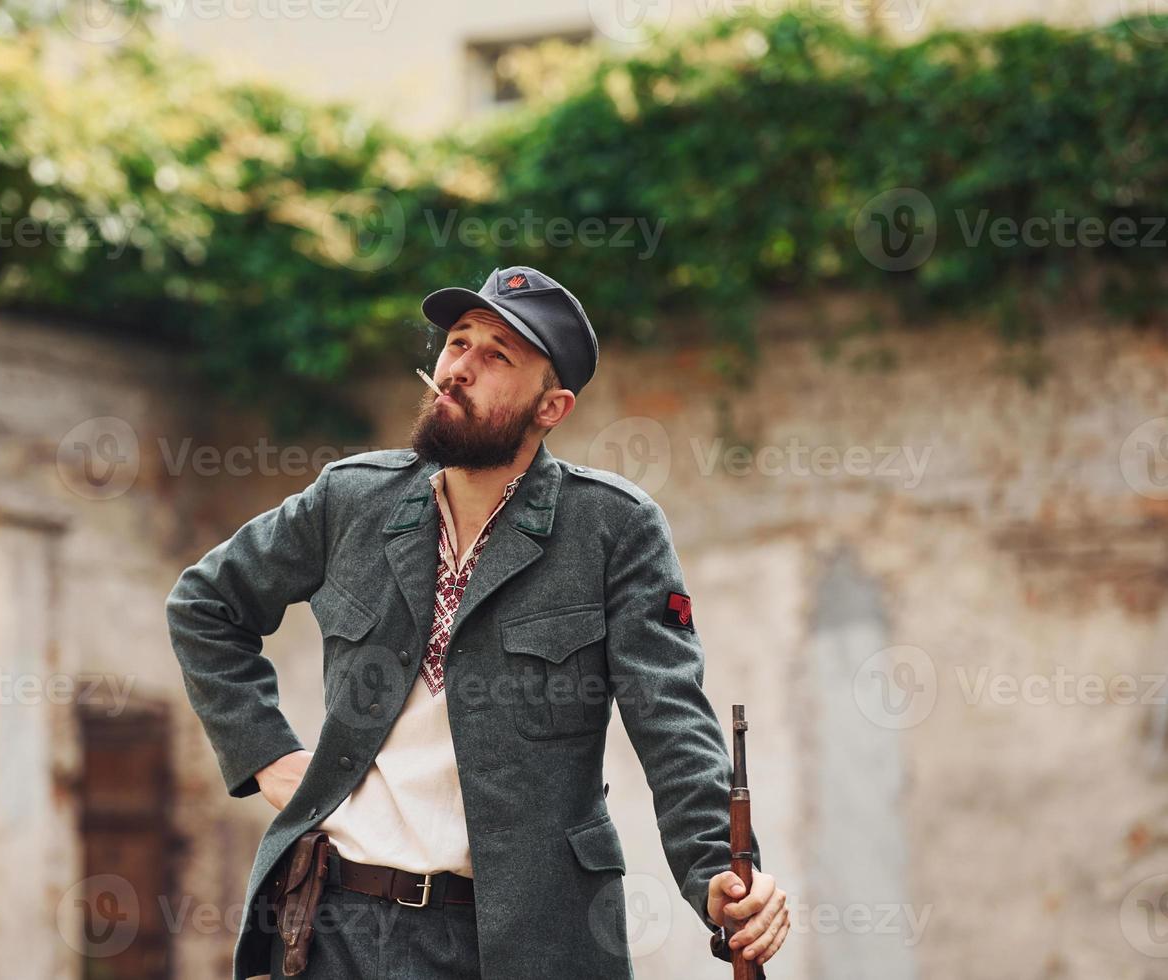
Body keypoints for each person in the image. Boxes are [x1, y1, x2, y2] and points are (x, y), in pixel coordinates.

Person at [166, 265, 790, 979]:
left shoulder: (612, 530)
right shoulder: (352, 500)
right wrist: (266, 755)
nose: (458, 368)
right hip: (328, 927)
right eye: (457, 342)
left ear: (550, 407)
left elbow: (671, 718)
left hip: (517, 940)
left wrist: (715, 869)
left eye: (497, 355)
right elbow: (204, 606)